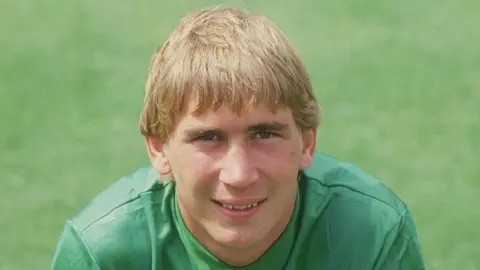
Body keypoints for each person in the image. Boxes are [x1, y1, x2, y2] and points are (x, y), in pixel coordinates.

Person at [50, 5, 426, 270]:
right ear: (159, 148)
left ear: (307, 143)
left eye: (265, 134)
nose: (240, 174)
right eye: (208, 137)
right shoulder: (101, 253)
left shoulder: (373, 233)